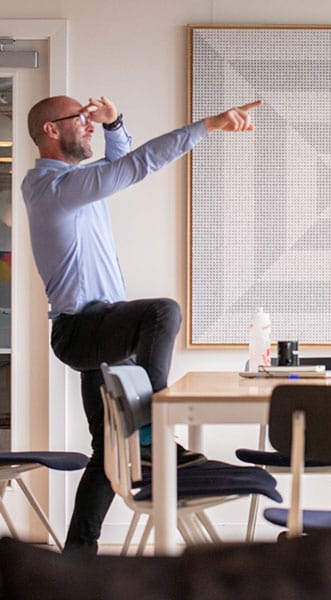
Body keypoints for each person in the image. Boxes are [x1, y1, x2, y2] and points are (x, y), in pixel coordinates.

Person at [21, 95, 262, 553]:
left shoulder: (72, 183)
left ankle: (78, 561)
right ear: (51, 130)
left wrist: (115, 124)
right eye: (83, 119)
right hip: (82, 329)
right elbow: (137, 166)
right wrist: (208, 125)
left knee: (108, 452)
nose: (89, 126)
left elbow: (122, 159)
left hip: (99, 329)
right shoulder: (54, 188)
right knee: (161, 312)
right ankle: (151, 432)